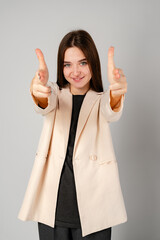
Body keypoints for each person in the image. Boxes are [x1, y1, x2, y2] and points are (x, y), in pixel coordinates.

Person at [18, 29, 128, 240]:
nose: (75, 71)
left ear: (93, 64)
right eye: (68, 64)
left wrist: (116, 93)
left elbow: (110, 109)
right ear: (61, 67)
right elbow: (44, 103)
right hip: (54, 207)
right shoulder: (55, 95)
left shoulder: (101, 100)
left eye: (83, 63)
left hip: (95, 209)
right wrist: (38, 90)